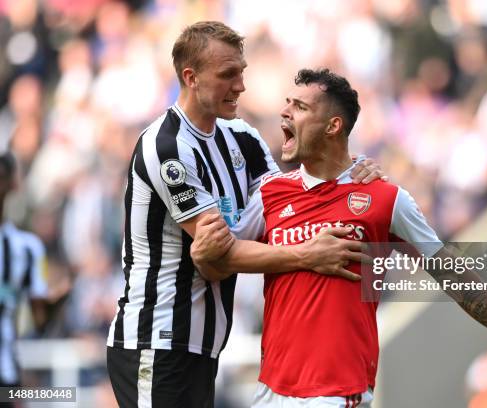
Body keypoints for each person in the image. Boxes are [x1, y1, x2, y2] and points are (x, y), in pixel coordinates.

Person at [192, 68, 487, 407]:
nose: (285, 112)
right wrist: (206, 242)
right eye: (287, 103)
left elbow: (448, 269)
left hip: (336, 391)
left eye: (300, 107)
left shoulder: (383, 198)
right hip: (272, 389)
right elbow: (220, 259)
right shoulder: (271, 193)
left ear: (333, 126)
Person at [106, 21, 382, 408]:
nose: (240, 86)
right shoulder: (166, 147)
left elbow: (289, 208)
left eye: (242, 72)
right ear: (192, 78)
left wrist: (351, 172)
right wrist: (308, 255)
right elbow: (216, 256)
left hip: (204, 345)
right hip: (158, 340)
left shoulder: (243, 139)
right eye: (227, 75)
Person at [0, 151, 48, 407]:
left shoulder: (27, 249)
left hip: (7, 377)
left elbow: (40, 322)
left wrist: (55, 303)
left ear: (12, 184)